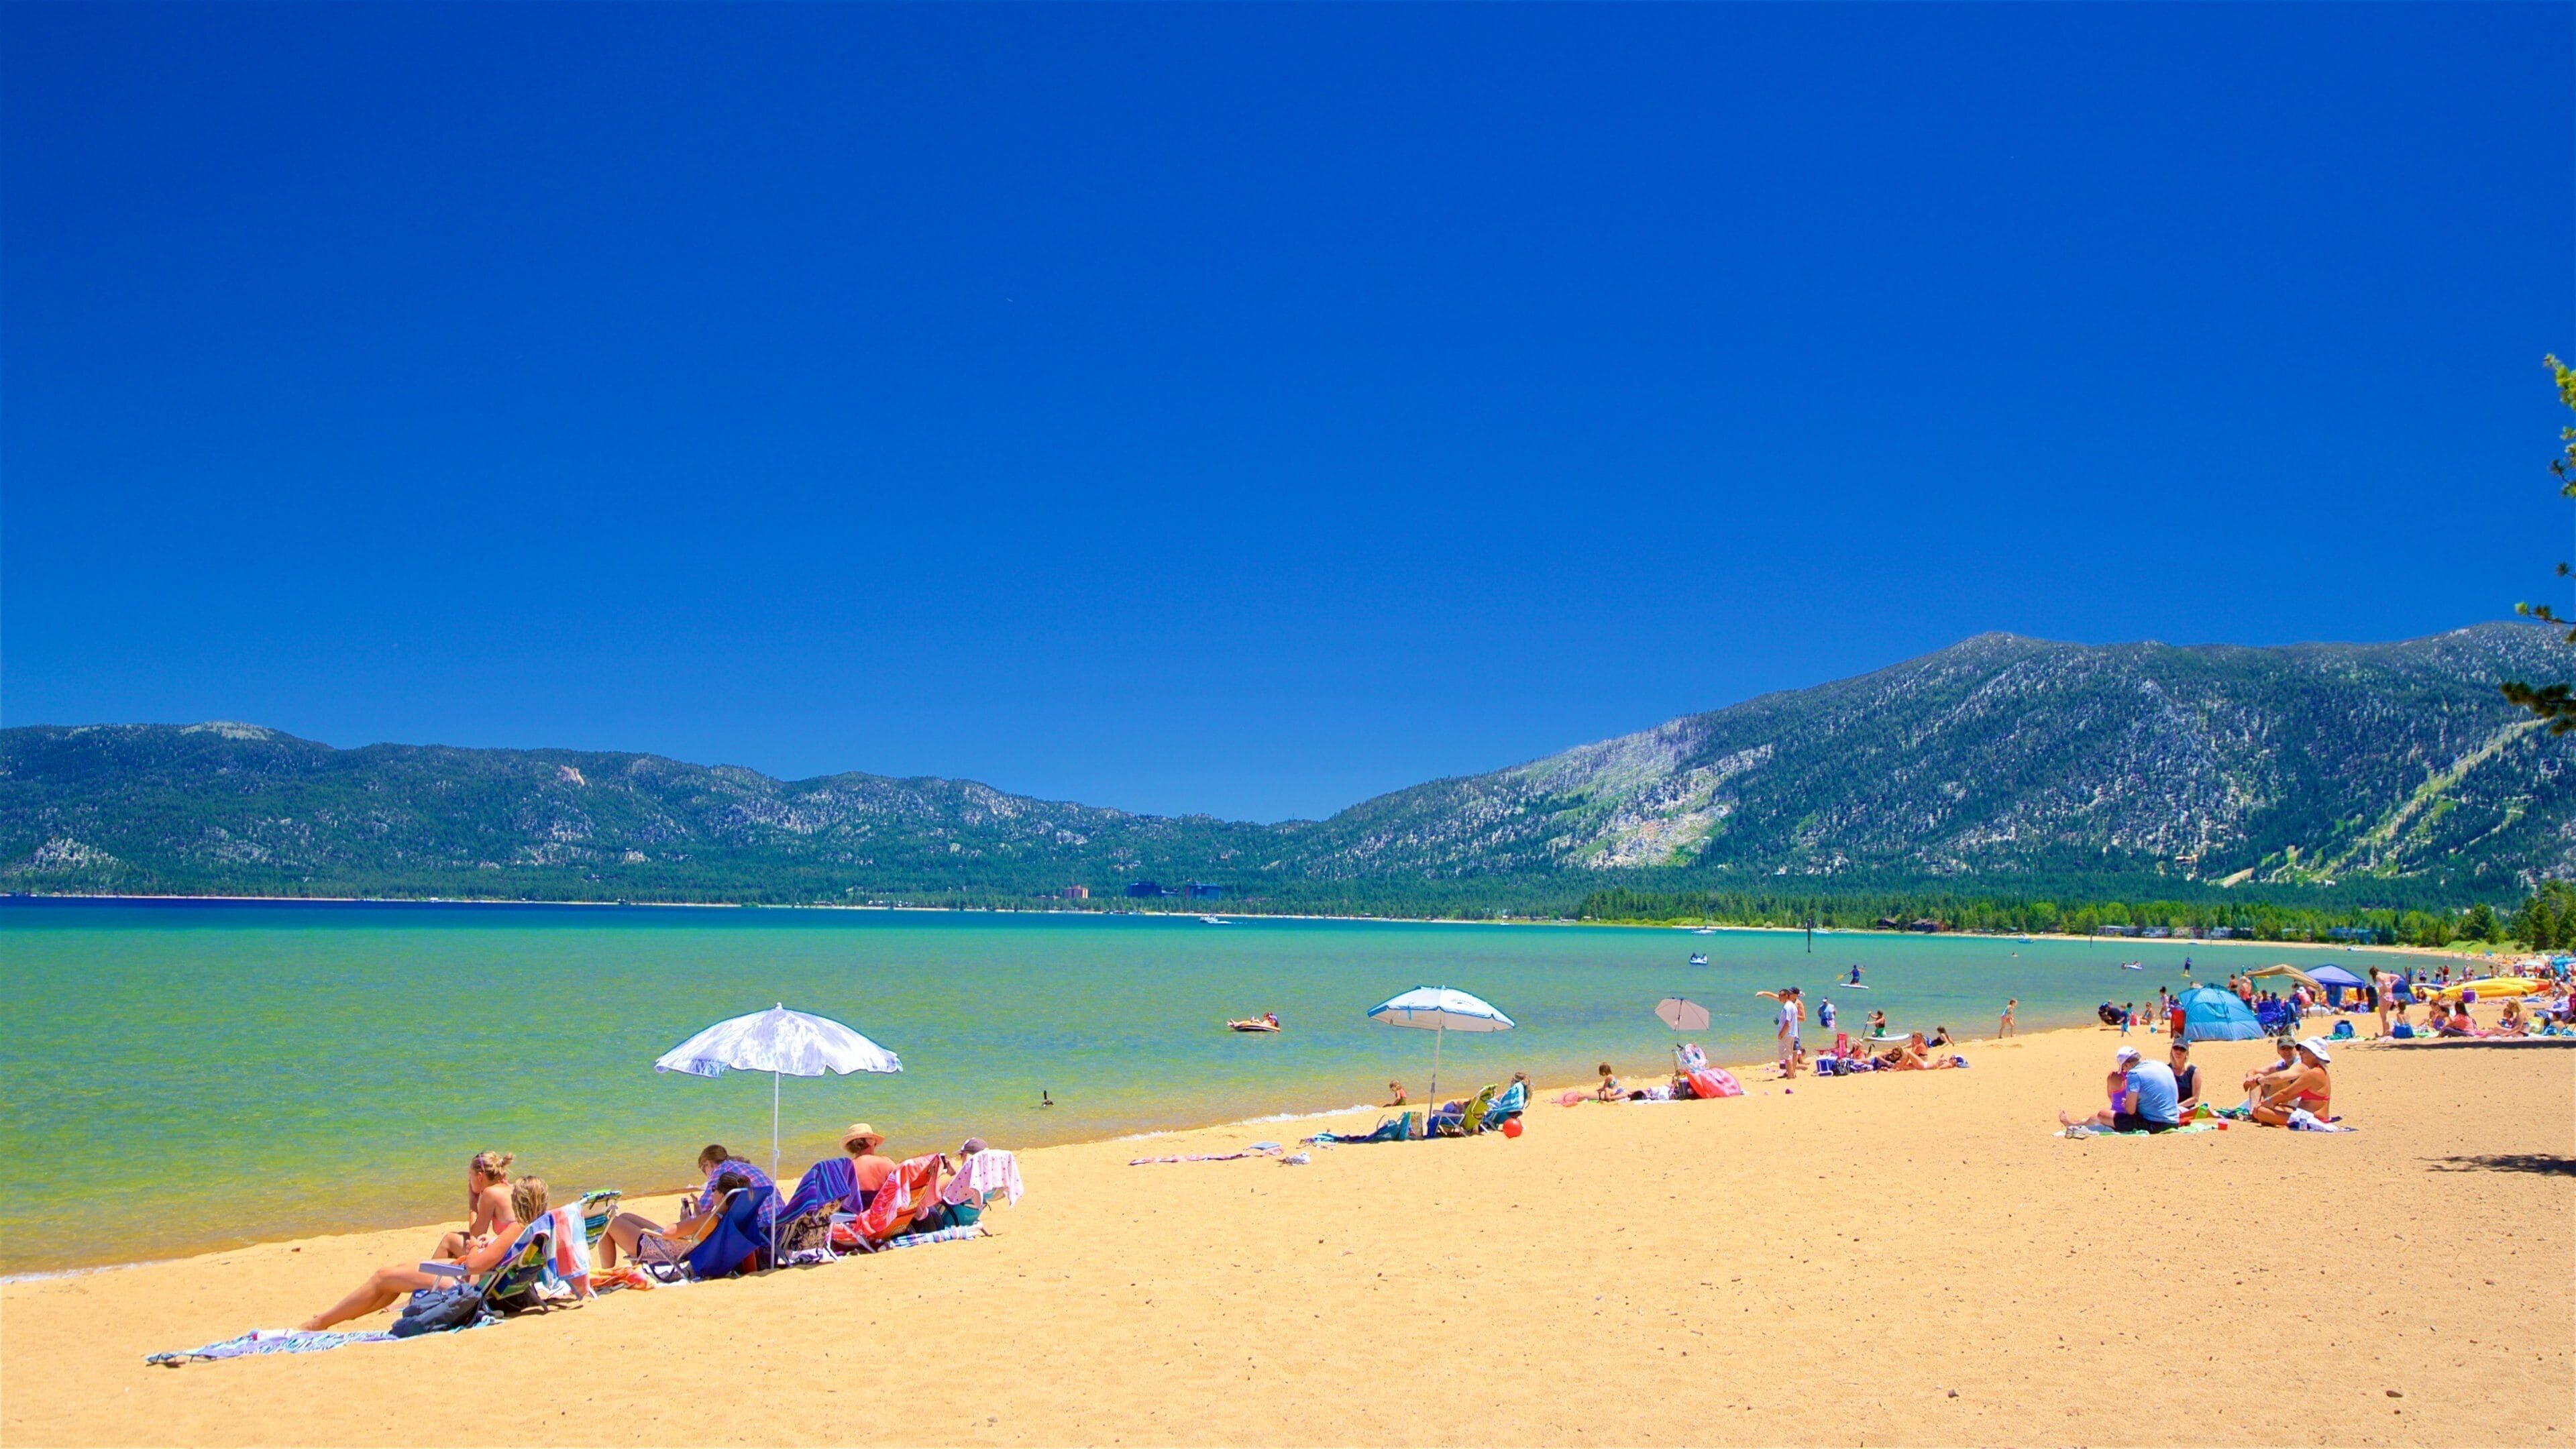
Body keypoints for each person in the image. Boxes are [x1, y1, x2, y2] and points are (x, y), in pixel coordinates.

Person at [304, 1177, 549, 1330]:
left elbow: (474, 1266)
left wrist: (474, 1243)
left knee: (383, 1277)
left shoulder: (518, 1226)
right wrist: (490, 1243)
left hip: (466, 1283)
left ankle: (322, 1322)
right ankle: (341, 1316)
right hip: (485, 1282)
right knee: (395, 1274)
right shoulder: (538, 1225)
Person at [596, 1144, 771, 1270]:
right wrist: (690, 1222)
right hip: (675, 1244)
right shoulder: (722, 1219)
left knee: (607, 1223)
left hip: (661, 1249)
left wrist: (683, 1221)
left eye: (713, 1189)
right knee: (625, 1216)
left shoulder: (709, 1218)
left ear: (722, 1195)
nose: (711, 1191)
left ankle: (606, 1273)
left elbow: (669, 1233)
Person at [2059, 1046, 2180, 1132]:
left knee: (2102, 1114)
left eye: (2124, 1069)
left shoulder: (2134, 1074)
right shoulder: (2160, 1065)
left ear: (2127, 1065)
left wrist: (2127, 1103)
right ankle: (2075, 1123)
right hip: (2175, 1121)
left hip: (2156, 1125)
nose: (2125, 1072)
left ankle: (2073, 1124)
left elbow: (2130, 1111)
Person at [432, 1150, 519, 1261]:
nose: (469, 1180)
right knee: (459, 1240)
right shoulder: (511, 1188)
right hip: (519, 1253)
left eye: (470, 1175)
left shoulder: (491, 1193)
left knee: (450, 1240)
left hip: (506, 1258)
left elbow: (476, 1237)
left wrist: (473, 1202)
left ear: (480, 1177)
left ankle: (426, 1277)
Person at [2249, 1038, 2332, 1126]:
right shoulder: (2318, 1071)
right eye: (2300, 1050)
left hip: (2312, 1120)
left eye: (2304, 1051)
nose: (2300, 1053)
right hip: (2307, 1115)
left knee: (2261, 1111)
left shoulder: (2313, 1073)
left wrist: (2265, 1102)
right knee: (2271, 1108)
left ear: (2314, 1055)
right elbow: (2291, 1094)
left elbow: (2287, 1093)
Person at [2167, 1040, 2200, 1114]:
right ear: (2171, 1050)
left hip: (2186, 1109)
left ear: (2187, 1053)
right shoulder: (2166, 1070)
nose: (2179, 1051)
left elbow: (2195, 1098)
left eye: (2182, 1049)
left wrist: (2176, 1107)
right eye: (2176, 1048)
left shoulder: (2193, 1072)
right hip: (2168, 1108)